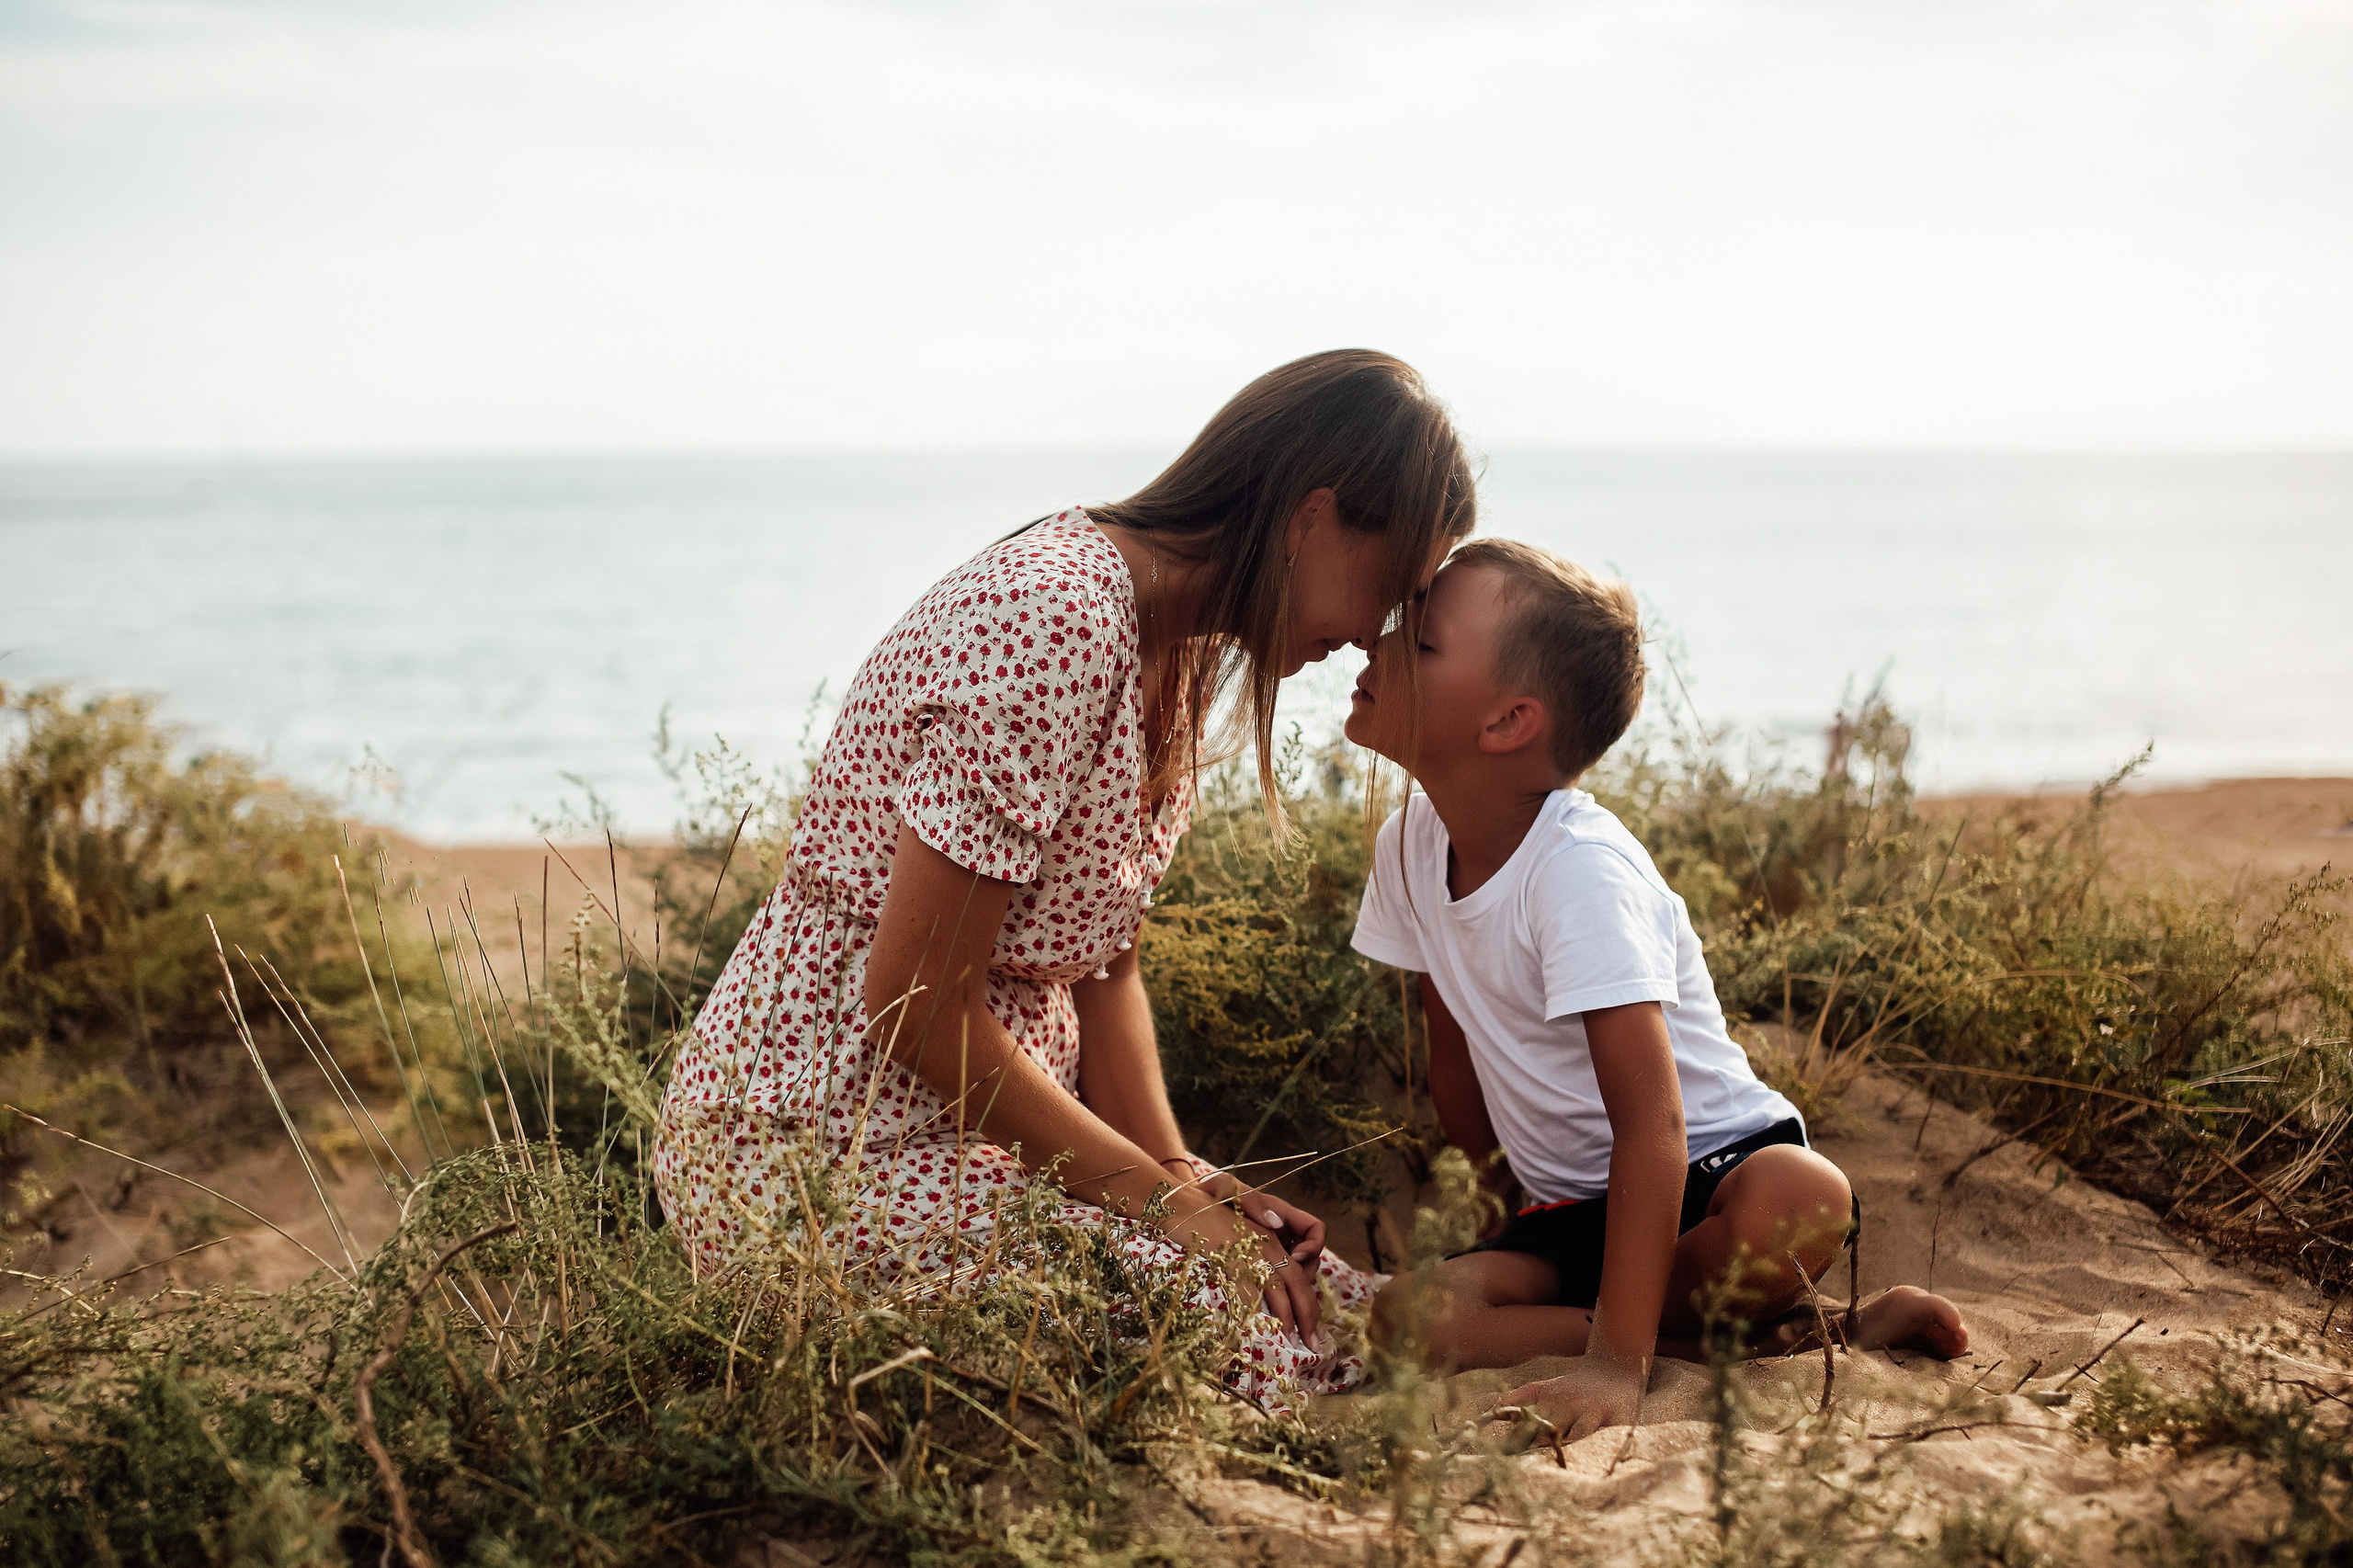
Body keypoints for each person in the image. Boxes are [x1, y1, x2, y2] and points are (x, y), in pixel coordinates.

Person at [653, 349, 1477, 1411]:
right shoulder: (1055, 616)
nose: (1375, 634)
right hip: (811, 1143)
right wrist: (1168, 1213)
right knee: (1255, 1351)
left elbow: (1105, 970)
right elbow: (914, 1005)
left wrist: (1177, 1174)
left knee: (1322, 1301)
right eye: (1389, 586)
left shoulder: (1168, 640)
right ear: (1312, 517)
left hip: (970, 1134)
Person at [1345, 539, 1968, 1437]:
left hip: (1707, 1179)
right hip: (1566, 1215)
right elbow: (1456, 1057)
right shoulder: (1407, 844)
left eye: (1422, 640)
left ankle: (1649, 1334)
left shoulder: (1580, 873)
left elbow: (1653, 1126)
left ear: (1507, 721)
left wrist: (1613, 1368)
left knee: (1805, 1195)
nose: (1380, 639)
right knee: (1397, 1317)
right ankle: (1803, 1334)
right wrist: (1494, 1227)